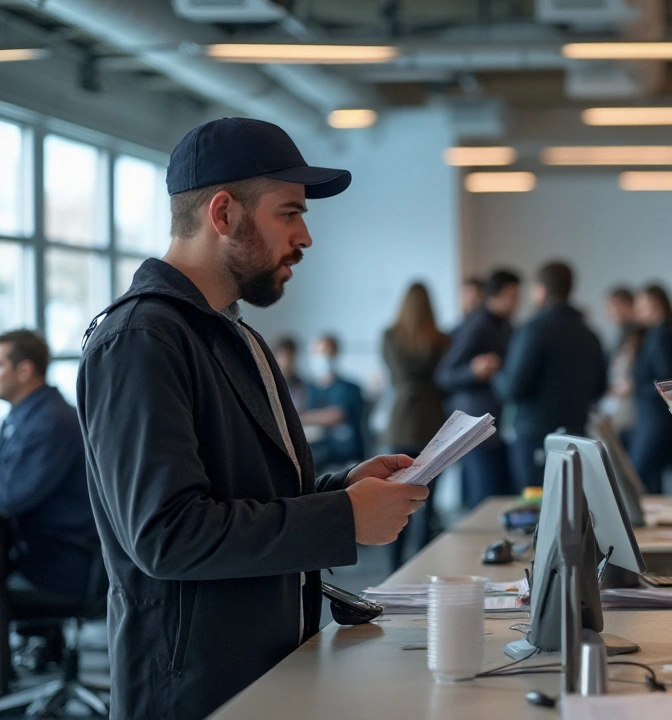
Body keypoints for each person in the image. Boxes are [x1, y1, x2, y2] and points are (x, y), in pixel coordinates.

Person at [77, 117, 430, 720]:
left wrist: (339, 491)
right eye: (289, 213)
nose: (306, 237)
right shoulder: (141, 340)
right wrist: (342, 518)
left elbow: (243, 496)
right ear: (223, 214)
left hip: (267, 669)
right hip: (193, 692)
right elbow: (168, 536)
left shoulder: (234, 335)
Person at [0, 330, 98, 671]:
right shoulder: (24, 416)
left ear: (24, 370)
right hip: (44, 553)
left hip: (62, 565)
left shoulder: (49, 422)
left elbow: (10, 497)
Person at [494, 261, 607, 490]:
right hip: (576, 435)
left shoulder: (533, 330)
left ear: (541, 289)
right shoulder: (590, 334)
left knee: (537, 509)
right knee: (571, 505)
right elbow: (600, 388)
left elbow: (512, 389)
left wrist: (496, 372)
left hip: (535, 437)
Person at [436, 268, 521, 508]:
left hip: (497, 423)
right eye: (513, 296)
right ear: (499, 294)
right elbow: (444, 374)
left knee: (497, 493)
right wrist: (473, 370)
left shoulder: (506, 326)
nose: (517, 303)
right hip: (475, 424)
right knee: (483, 495)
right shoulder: (477, 326)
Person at [381, 282, 451, 562]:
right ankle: (422, 568)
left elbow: (394, 377)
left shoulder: (389, 337)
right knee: (427, 503)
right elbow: (445, 381)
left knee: (396, 502)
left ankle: (394, 568)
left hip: (400, 421)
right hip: (433, 422)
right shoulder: (443, 340)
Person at [628, 283, 672, 494]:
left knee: (637, 477)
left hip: (658, 420)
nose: (637, 309)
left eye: (641, 303)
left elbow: (668, 383)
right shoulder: (657, 333)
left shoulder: (663, 336)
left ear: (655, 304)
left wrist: (633, 387)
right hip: (659, 418)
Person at [303, 333, 367, 470]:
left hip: (345, 455)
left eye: (328, 352)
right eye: (318, 352)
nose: (323, 357)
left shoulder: (349, 388)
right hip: (317, 451)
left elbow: (336, 415)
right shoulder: (310, 389)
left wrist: (298, 417)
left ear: (337, 353)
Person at [599, 286, 643, 446]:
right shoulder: (619, 333)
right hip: (617, 401)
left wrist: (631, 385)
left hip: (634, 404)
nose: (612, 312)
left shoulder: (641, 334)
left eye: (616, 306)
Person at [271, 334, 308, 409]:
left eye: (290, 354)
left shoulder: (301, 384)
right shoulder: (269, 382)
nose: (286, 359)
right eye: (283, 355)